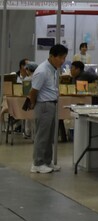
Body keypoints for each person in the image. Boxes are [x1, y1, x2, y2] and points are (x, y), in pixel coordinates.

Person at [23, 44, 68, 173]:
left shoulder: (52, 69)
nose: (62, 61)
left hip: (51, 104)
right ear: (52, 56)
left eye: (64, 58)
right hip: (44, 105)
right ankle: (37, 163)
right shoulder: (42, 70)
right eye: (61, 58)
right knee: (42, 135)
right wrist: (32, 105)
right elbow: (33, 91)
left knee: (49, 136)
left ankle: (47, 162)